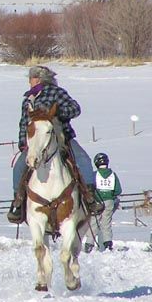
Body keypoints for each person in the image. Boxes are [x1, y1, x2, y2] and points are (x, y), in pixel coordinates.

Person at [7, 66, 104, 223]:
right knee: (19, 166)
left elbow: (75, 109)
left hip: (61, 137)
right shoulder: (28, 99)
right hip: (36, 143)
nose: (29, 81)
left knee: (82, 159)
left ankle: (90, 196)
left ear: (38, 79)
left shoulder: (56, 92)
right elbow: (24, 123)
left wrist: (57, 113)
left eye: (31, 78)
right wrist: (23, 143)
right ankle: (18, 201)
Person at [84, 153, 122, 252]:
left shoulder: (94, 174)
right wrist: (110, 196)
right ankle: (108, 243)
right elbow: (118, 190)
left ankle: (89, 243)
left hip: (97, 201)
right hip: (109, 201)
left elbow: (89, 188)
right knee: (106, 222)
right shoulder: (113, 175)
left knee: (94, 222)